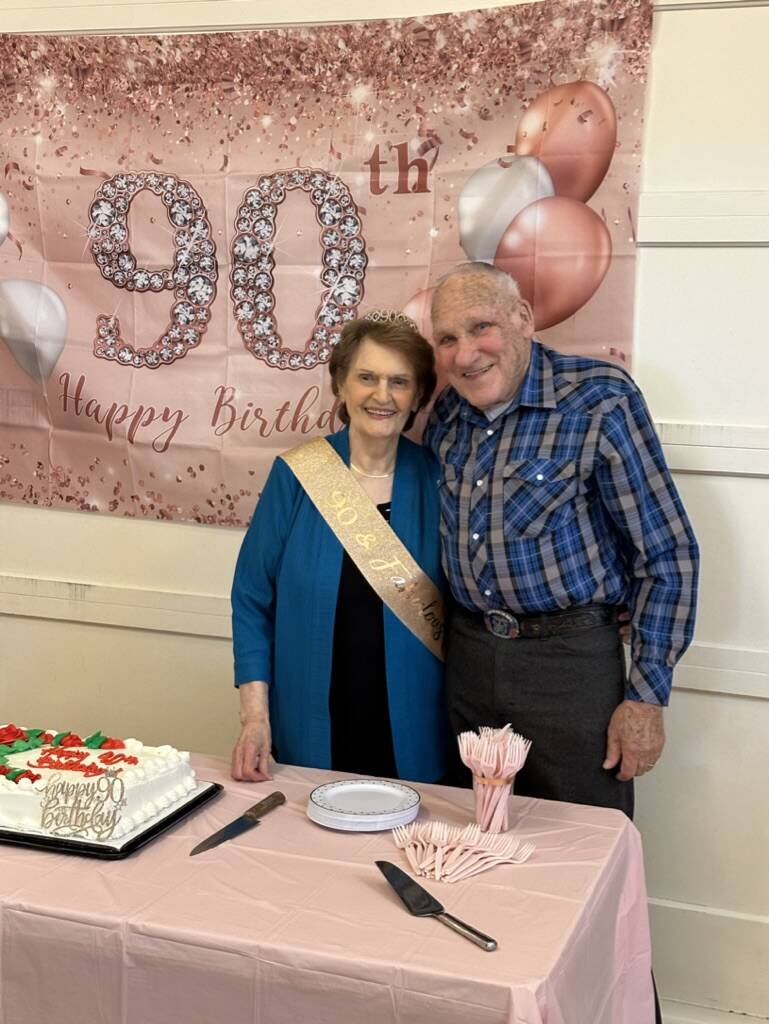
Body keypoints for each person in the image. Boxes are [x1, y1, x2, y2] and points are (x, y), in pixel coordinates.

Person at [425, 262, 699, 818]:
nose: (464, 354)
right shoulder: (448, 415)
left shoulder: (599, 399)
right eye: (448, 339)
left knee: (582, 840)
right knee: (475, 836)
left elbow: (667, 556)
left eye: (481, 328)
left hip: (571, 668)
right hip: (469, 659)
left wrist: (646, 697)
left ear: (523, 319)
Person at [230, 310, 450, 784]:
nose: (382, 395)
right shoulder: (296, 475)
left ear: (418, 397)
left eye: (400, 381)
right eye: (367, 377)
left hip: (418, 724)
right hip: (312, 718)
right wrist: (255, 718)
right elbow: (251, 599)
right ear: (341, 386)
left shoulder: (440, 480)